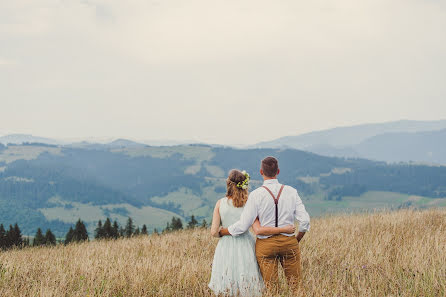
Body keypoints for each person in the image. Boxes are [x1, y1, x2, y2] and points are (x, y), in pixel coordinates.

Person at [219, 156, 310, 292]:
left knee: (272, 289)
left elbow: (243, 225)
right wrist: (297, 239)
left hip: (266, 245)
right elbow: (305, 221)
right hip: (289, 242)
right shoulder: (291, 192)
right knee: (296, 287)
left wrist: (223, 231)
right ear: (278, 171)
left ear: (261, 172)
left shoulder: (255, 195)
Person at [208, 169, 296, 296]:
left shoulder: (220, 203)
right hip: (246, 244)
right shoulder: (249, 202)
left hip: (226, 246)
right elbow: (256, 226)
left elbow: (213, 232)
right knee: (248, 278)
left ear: (228, 184)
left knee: (227, 279)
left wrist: (221, 233)